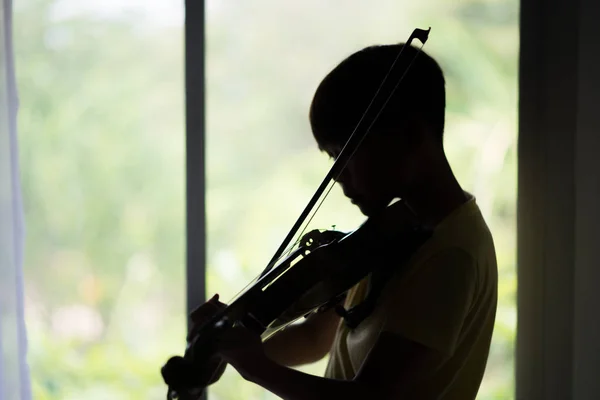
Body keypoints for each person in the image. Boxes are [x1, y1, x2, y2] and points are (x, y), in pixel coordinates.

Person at [190, 42, 498, 400]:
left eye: (345, 156)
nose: (338, 177)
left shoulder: (449, 255)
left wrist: (257, 367)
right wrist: (233, 348)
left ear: (410, 137)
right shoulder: (395, 233)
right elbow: (315, 339)